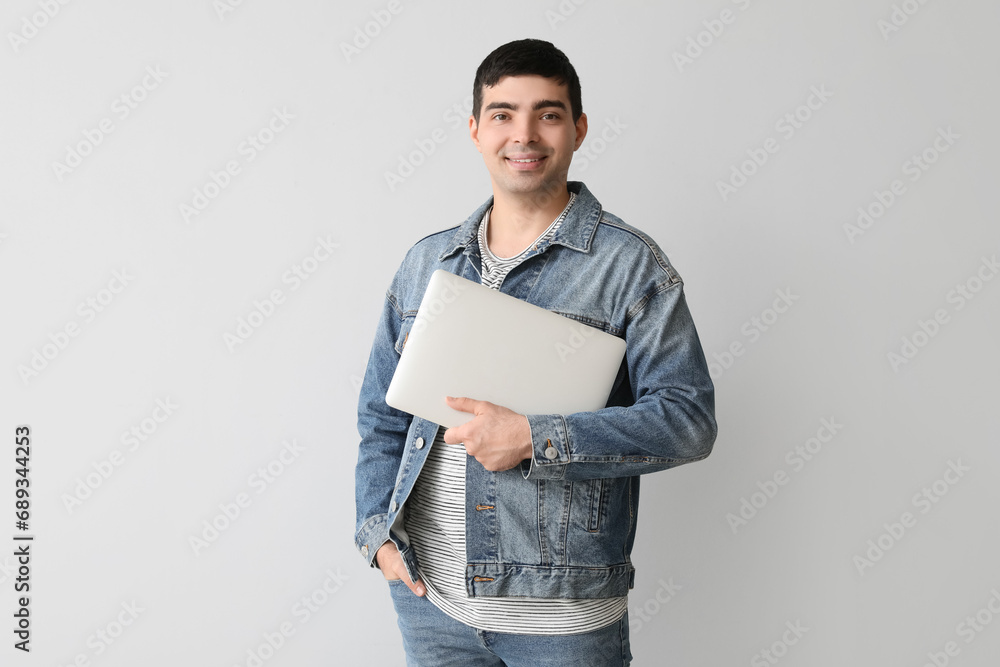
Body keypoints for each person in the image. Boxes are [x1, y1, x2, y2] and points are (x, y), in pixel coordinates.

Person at [354, 38, 717, 666]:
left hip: (563, 614)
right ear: (475, 129)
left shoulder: (630, 266)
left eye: (547, 114)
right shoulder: (426, 262)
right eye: (502, 114)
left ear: (577, 129)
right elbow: (381, 417)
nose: (524, 134)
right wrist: (377, 535)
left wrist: (535, 436)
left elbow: (688, 421)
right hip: (429, 599)